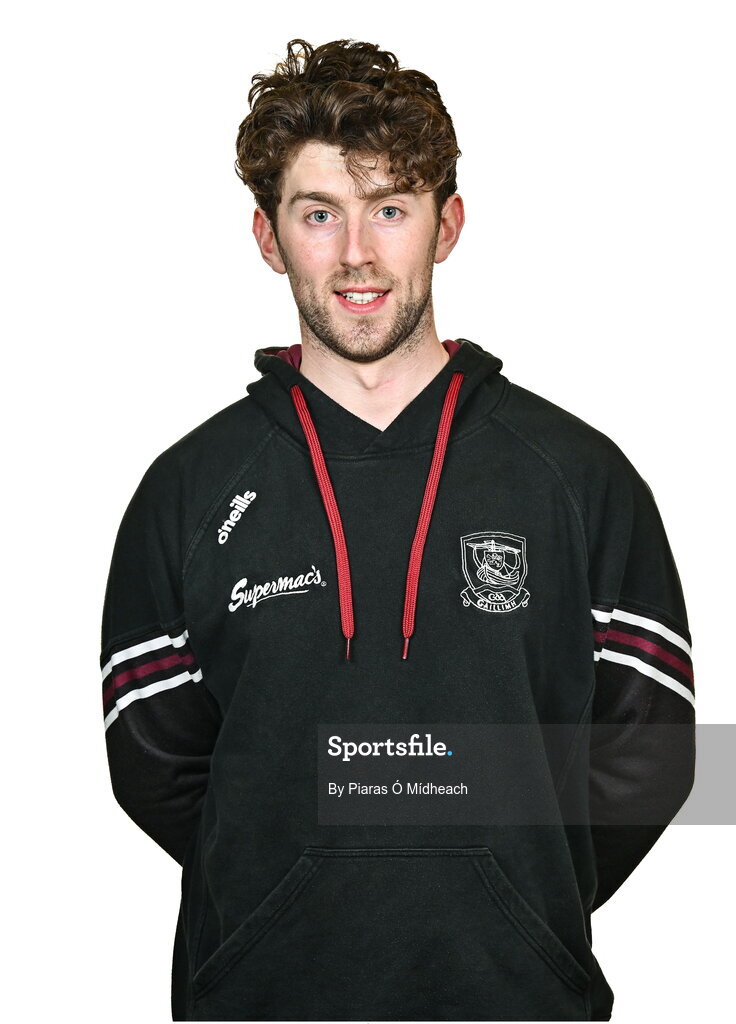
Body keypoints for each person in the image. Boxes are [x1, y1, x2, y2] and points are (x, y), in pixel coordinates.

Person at [99, 37, 696, 1022]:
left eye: (389, 208)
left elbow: (652, 755)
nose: (356, 253)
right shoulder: (187, 491)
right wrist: (287, 888)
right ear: (268, 237)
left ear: (445, 224)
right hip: (259, 1001)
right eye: (318, 214)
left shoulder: (579, 477)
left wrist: (514, 903)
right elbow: (154, 769)